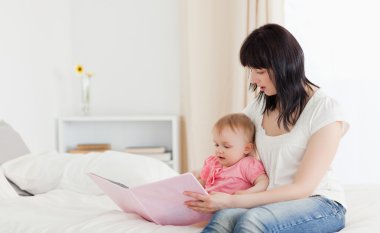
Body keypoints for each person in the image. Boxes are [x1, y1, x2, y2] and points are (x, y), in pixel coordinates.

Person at [184, 23, 349, 233]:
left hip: (321, 203)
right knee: (223, 219)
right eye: (251, 71)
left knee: (252, 221)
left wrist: (232, 201)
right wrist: (195, 177)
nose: (253, 79)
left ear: (284, 66)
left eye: (259, 71)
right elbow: (232, 149)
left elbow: (302, 188)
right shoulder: (260, 105)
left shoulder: (325, 110)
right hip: (274, 203)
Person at [194, 113, 269, 195]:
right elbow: (203, 182)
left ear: (246, 148)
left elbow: (263, 182)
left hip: (232, 205)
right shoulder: (212, 162)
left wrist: (247, 193)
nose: (219, 150)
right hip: (209, 202)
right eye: (216, 145)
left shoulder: (247, 165)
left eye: (226, 146)